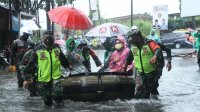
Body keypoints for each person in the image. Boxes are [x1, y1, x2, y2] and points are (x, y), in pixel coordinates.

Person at [24, 31, 71, 106]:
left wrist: (68, 66)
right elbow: (30, 64)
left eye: (51, 37)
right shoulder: (37, 50)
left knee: (58, 97)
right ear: (44, 38)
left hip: (56, 76)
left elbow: (63, 59)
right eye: (47, 38)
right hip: (43, 78)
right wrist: (26, 79)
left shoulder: (56, 47)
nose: (49, 40)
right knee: (47, 101)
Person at [127, 30, 162, 98]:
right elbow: (130, 56)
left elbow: (158, 49)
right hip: (139, 71)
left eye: (133, 38)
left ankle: (155, 105)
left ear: (138, 38)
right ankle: (139, 105)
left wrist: (155, 56)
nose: (132, 40)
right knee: (139, 88)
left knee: (151, 90)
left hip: (151, 71)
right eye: (131, 38)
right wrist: (125, 65)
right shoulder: (132, 45)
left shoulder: (149, 42)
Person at [147, 29, 172, 94]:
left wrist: (169, 62)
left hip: (159, 64)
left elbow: (168, 50)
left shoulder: (158, 44)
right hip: (150, 65)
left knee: (155, 81)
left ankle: (155, 96)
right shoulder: (145, 45)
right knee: (149, 82)